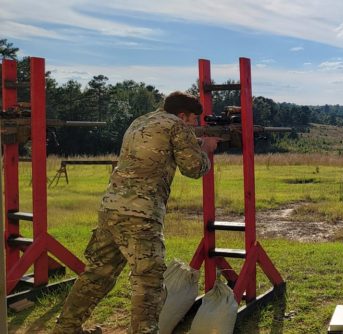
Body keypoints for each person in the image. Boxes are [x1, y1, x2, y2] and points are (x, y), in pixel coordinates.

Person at [52, 92, 219, 334]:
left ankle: (65, 328)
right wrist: (206, 150)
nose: (194, 125)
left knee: (97, 274)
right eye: (193, 119)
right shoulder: (176, 125)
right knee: (148, 281)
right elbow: (193, 168)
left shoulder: (140, 121)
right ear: (182, 115)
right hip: (140, 215)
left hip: (110, 209)